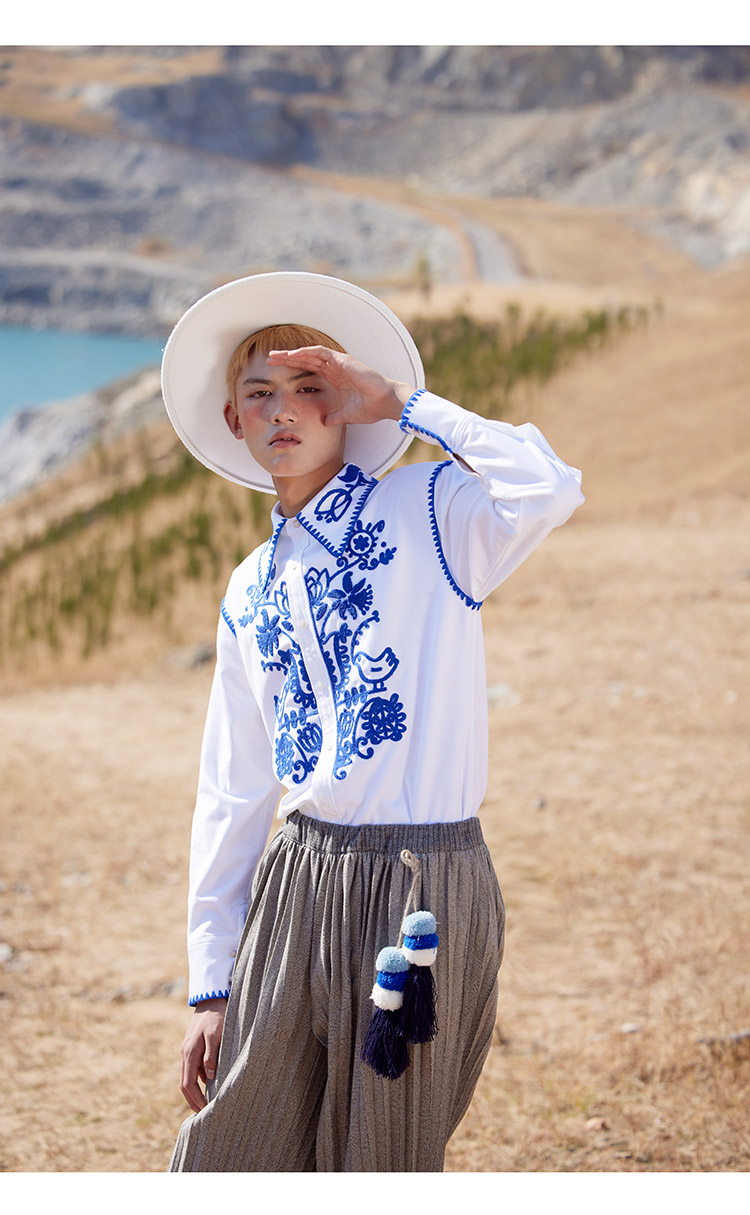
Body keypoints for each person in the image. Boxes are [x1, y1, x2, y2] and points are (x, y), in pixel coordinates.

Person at [160, 271, 583, 1172]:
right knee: (236, 1150)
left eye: (312, 386)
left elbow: (546, 486)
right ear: (233, 420)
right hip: (297, 881)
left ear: (347, 402)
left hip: (423, 888)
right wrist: (210, 981)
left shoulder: (431, 510)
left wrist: (407, 402)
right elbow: (234, 785)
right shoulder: (248, 585)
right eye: (260, 392)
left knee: (382, 1158)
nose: (285, 410)